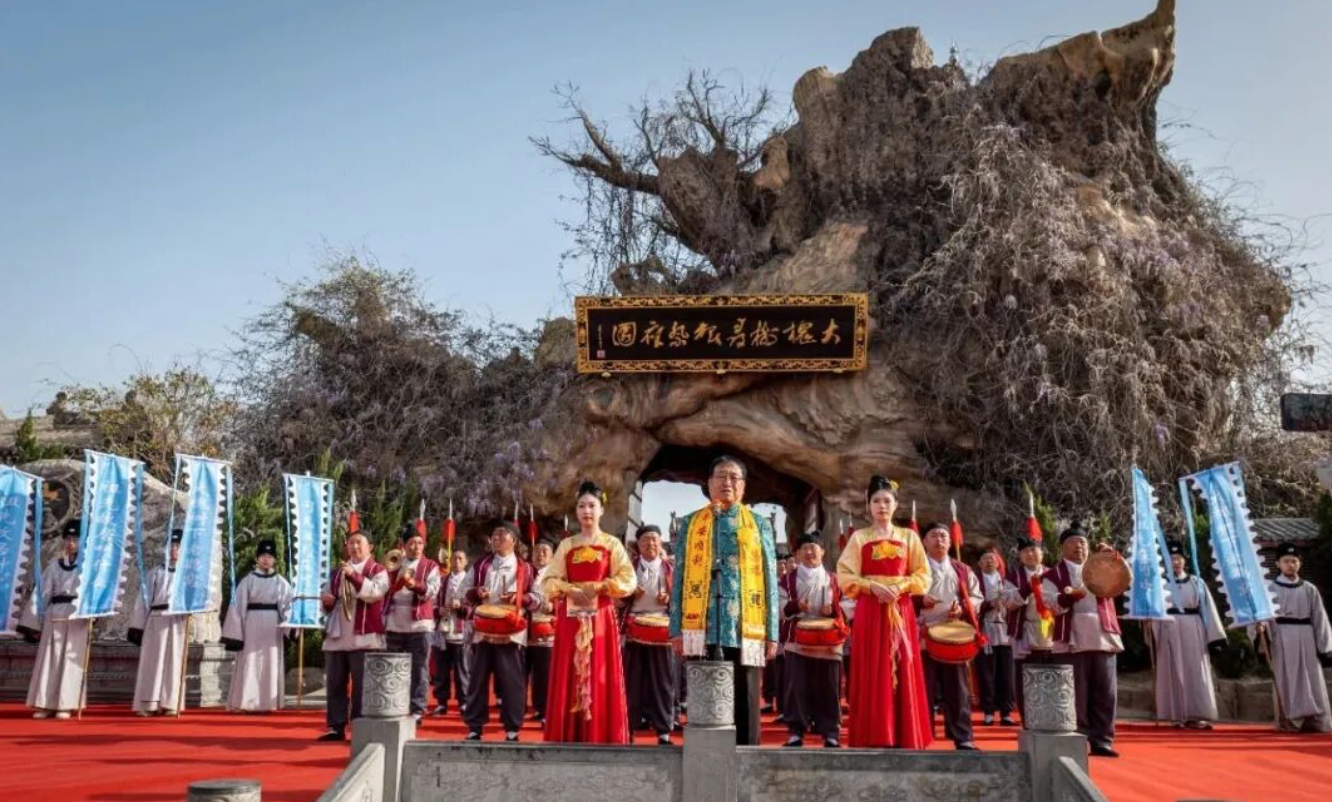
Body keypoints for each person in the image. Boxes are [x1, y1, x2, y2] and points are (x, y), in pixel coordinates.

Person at [669, 456, 779, 746]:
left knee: (746, 697)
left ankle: (746, 763)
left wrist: (772, 632)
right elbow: (679, 575)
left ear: (743, 486)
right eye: (720, 476)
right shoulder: (692, 523)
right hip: (702, 623)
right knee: (706, 698)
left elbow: (769, 577)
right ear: (709, 484)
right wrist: (676, 628)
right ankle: (705, 759)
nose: (726, 482)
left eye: (734, 477)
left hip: (746, 623)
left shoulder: (757, 524)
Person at [835, 475, 932, 748]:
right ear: (868, 506)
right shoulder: (859, 538)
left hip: (900, 607)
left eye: (886, 501)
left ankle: (904, 732)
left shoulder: (908, 537)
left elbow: (923, 575)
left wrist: (901, 586)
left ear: (896, 505)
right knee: (871, 666)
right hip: (870, 609)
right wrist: (870, 586)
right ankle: (874, 732)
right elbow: (845, 576)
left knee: (904, 664)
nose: (881, 506)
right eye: (876, 501)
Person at [541, 481, 636, 744]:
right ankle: (567, 734)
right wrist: (568, 589)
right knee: (570, 673)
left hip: (601, 618)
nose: (586, 511)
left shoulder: (612, 544)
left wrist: (602, 586)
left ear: (601, 510)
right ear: (575, 510)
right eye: (582, 506)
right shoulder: (567, 545)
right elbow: (547, 582)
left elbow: (628, 580)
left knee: (600, 671)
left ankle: (600, 733)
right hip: (570, 619)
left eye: (592, 506)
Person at [1042, 523, 1123, 757]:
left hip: (1103, 634)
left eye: (1083, 543)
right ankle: (1077, 738)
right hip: (1071, 637)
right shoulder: (1052, 575)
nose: (1079, 547)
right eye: (1073, 543)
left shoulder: (1102, 567)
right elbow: (1049, 604)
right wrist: (1068, 598)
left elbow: (1124, 580)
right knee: (1075, 691)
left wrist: (1114, 559)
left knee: (1106, 690)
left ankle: (1103, 740)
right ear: (1062, 548)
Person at [462, 522, 543, 741]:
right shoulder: (480, 565)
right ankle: (475, 725)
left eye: (502, 534)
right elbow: (463, 592)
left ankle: (512, 727)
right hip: (483, 630)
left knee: (512, 681)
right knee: (477, 680)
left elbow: (538, 599)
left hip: (511, 630)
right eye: (494, 534)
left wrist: (519, 598)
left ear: (514, 540)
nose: (496, 537)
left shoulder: (525, 568)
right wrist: (476, 593)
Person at [317, 531, 389, 741]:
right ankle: (336, 726)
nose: (354, 547)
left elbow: (375, 593)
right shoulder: (336, 572)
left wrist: (354, 576)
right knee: (335, 682)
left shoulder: (378, 570)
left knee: (361, 684)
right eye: (351, 543)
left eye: (359, 543)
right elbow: (326, 595)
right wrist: (326, 602)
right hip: (338, 633)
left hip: (364, 634)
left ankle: (360, 726)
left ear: (370, 547)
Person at [917, 522, 982, 750]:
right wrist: (919, 601)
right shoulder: (914, 568)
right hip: (922, 633)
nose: (939, 539)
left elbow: (976, 596)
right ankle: (922, 735)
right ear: (924, 541)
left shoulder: (962, 569)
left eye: (943, 535)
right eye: (933, 535)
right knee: (922, 687)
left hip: (953, 633)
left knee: (958, 687)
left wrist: (964, 608)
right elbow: (903, 596)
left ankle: (962, 736)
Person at [1253, 544, 1332, 732]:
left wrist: (1325, 646)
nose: (1291, 565)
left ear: (1300, 564)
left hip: (1307, 636)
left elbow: (1319, 617)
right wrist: (1260, 628)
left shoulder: (1309, 589)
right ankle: (1290, 718)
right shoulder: (1270, 589)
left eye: (1294, 561)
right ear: (1278, 564)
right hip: (1282, 636)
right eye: (1286, 561)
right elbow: (1263, 616)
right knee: (1286, 677)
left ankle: (1315, 719)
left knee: (1311, 676)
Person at [1148, 541, 1226, 729]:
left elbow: (1208, 610)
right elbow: (1153, 609)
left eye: (1178, 559)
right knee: (1172, 669)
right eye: (1171, 559)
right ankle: (1176, 715)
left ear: (1185, 561)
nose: (1175, 562)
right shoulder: (1160, 584)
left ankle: (1198, 713)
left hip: (1193, 628)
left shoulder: (1197, 582)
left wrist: (1215, 637)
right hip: (1168, 627)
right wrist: (1150, 626)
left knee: (1196, 670)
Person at [779, 532, 844, 748]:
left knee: (829, 687)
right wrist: (797, 606)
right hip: (798, 639)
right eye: (804, 548)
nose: (809, 552)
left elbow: (849, 605)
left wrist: (833, 609)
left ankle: (830, 731)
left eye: (814, 548)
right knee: (796, 686)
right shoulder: (787, 580)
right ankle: (796, 731)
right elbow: (778, 605)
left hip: (828, 640)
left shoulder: (835, 579)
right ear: (796, 554)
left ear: (823, 552)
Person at [23, 520, 89, 719]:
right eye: (68, 539)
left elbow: (92, 593)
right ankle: (45, 703)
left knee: (70, 661)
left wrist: (92, 612)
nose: (70, 543)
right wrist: (33, 621)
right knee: (49, 659)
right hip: (55, 613)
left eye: (75, 539)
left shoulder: (88, 567)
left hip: (76, 615)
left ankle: (65, 703)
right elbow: (42, 593)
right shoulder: (54, 566)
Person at [221, 538, 293, 712]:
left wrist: (291, 627)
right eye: (262, 556)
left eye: (270, 556)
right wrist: (236, 634)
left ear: (275, 559)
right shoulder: (247, 581)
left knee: (271, 661)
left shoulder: (281, 582)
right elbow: (237, 608)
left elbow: (288, 607)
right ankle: (245, 702)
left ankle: (268, 703)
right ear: (256, 558)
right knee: (249, 661)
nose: (266, 559)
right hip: (251, 624)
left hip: (273, 626)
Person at [623, 524, 677, 745]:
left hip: (662, 629)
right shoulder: (628, 569)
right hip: (635, 628)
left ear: (661, 542)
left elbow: (682, 602)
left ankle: (663, 730)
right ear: (638, 545)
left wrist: (670, 599)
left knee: (663, 682)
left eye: (655, 539)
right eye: (646, 539)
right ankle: (629, 728)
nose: (651, 543)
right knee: (633, 681)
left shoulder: (671, 569)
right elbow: (617, 599)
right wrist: (629, 594)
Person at [385, 524, 441, 723]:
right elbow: (385, 588)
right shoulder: (394, 563)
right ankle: (395, 704)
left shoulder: (431, 566)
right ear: (403, 545)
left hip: (419, 625)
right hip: (394, 622)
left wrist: (414, 585)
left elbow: (432, 591)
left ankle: (417, 709)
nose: (416, 547)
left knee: (419, 668)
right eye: (412, 543)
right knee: (394, 667)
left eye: (420, 543)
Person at [129, 529, 189, 716]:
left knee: (174, 661)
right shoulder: (155, 573)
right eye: (171, 545)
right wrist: (137, 626)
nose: (174, 549)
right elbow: (143, 601)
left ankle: (171, 702)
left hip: (178, 620)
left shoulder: (188, 574)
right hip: (156, 619)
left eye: (178, 546)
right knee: (152, 662)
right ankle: (148, 703)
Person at [1007, 536, 1053, 720]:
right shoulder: (1013, 577)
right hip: (1025, 629)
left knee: (1051, 674)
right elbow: (1008, 603)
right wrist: (1027, 588)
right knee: (1025, 676)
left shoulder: (1053, 574)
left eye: (1034, 550)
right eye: (1025, 551)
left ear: (1042, 553)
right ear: (1019, 555)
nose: (1030, 554)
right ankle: (1028, 718)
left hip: (1051, 630)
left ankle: (1051, 715)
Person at [975, 549, 1018, 726]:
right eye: (985, 558)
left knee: (1007, 674)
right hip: (985, 629)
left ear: (999, 562)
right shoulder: (975, 581)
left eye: (992, 559)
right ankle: (988, 710)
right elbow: (971, 603)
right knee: (986, 673)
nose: (989, 561)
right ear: (979, 564)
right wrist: (987, 604)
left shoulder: (1007, 581)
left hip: (1006, 630)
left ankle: (1006, 711)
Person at [431, 549, 471, 716]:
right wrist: (438, 610)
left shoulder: (470, 583)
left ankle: (464, 702)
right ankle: (441, 702)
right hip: (443, 631)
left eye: (460, 558)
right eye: (454, 558)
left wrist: (460, 607)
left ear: (466, 561)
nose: (456, 561)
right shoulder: (442, 581)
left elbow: (473, 608)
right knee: (441, 669)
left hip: (461, 631)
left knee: (462, 669)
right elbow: (431, 604)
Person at [527, 538, 557, 726]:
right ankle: (523, 707)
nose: (541, 554)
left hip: (547, 630)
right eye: (537, 550)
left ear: (552, 555)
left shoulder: (557, 576)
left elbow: (565, 599)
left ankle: (545, 709)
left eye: (545, 551)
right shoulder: (524, 572)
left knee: (544, 674)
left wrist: (554, 606)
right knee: (520, 673)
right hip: (524, 628)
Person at [764, 549, 794, 717]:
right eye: (780, 563)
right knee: (771, 668)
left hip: (787, 628)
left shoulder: (791, 581)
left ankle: (785, 706)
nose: (783, 566)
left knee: (785, 669)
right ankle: (770, 700)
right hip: (773, 628)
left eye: (785, 563)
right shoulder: (769, 582)